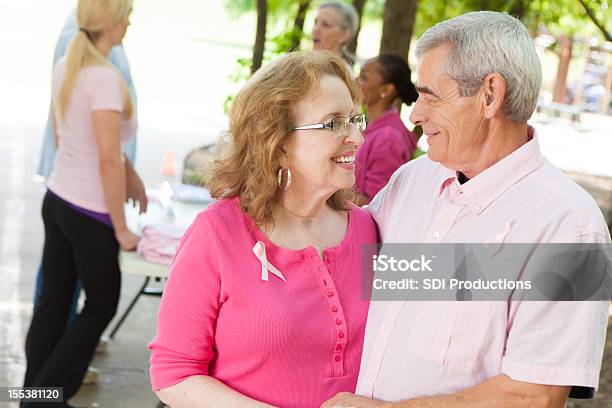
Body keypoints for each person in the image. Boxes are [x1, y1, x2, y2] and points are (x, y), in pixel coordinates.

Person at [322, 11, 610, 408]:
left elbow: (535, 395)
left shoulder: (573, 230)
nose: (414, 114)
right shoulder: (413, 180)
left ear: (489, 95)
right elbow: (339, 262)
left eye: (430, 95)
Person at [148, 50, 377, 408]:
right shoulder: (217, 234)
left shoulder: (367, 228)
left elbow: (472, 286)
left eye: (354, 119)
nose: (356, 137)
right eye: (334, 123)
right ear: (279, 143)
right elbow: (173, 373)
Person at [22, 0, 144, 406]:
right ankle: (45, 398)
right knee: (101, 303)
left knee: (52, 305)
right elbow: (107, 158)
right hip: (88, 214)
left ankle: (34, 395)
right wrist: (121, 227)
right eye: (126, 13)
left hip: (58, 199)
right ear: (110, 21)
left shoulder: (70, 66)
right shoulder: (104, 78)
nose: (130, 20)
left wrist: (132, 175)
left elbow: (69, 139)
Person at [354, 54, 419, 204]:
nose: (355, 81)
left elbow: (377, 202)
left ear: (386, 90)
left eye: (364, 77)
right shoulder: (371, 127)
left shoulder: (388, 137)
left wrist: (331, 196)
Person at [312, 2, 359, 67]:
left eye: (326, 25)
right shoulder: (309, 67)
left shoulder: (341, 74)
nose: (315, 30)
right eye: (315, 22)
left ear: (344, 35)